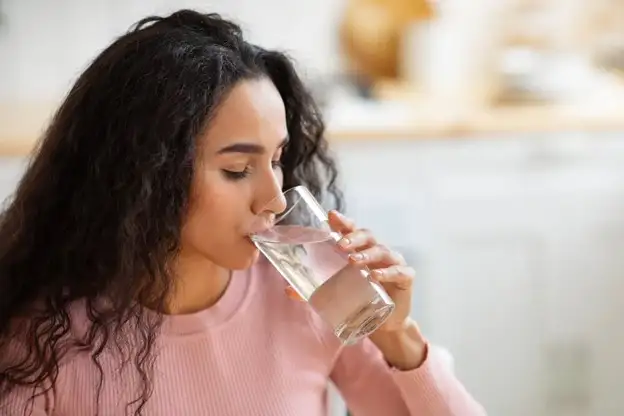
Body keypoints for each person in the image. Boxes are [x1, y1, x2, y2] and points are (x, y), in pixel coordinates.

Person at [0, 9, 485, 416]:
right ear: (143, 175)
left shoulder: (310, 295)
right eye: (237, 169)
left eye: (276, 160)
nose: (275, 199)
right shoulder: (44, 339)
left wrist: (398, 338)